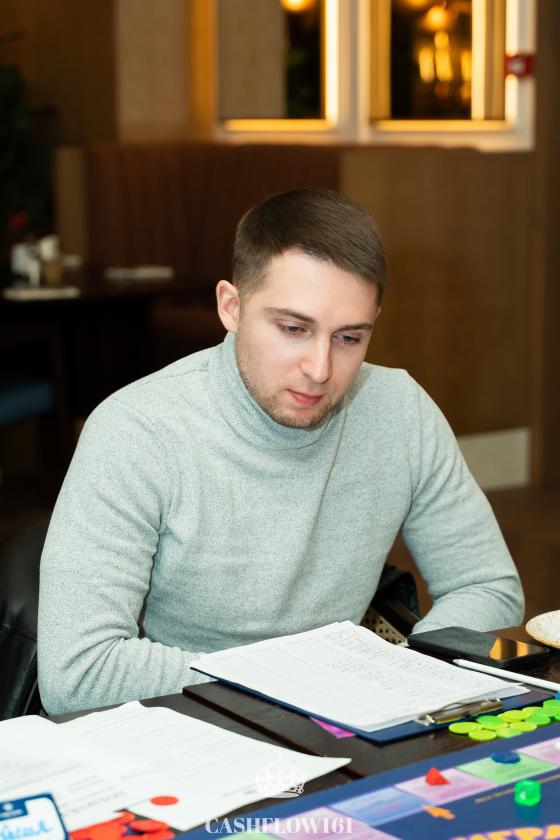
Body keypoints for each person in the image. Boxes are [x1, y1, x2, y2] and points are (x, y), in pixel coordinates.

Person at [38, 188, 524, 714]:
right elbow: (77, 673)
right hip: (184, 720)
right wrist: (294, 687)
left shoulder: (400, 410)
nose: (320, 368)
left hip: (338, 718)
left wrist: (403, 673)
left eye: (349, 338)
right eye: (293, 329)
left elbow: (487, 586)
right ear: (231, 307)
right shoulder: (137, 431)